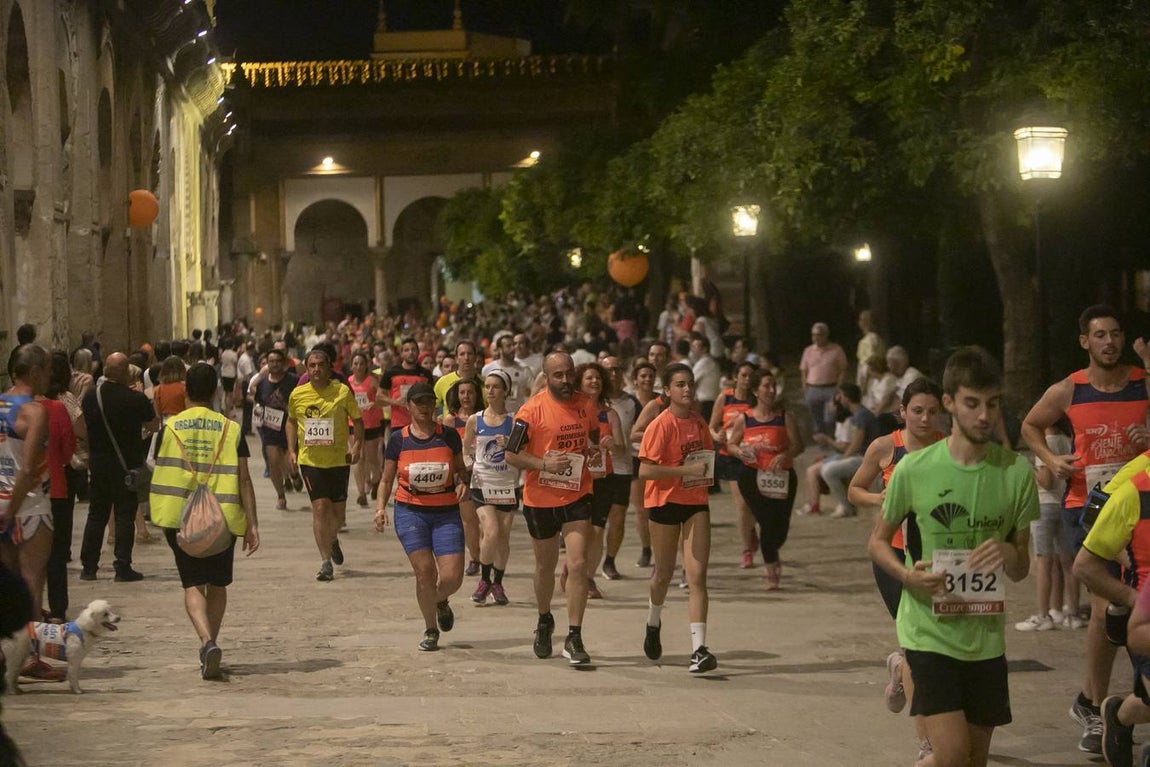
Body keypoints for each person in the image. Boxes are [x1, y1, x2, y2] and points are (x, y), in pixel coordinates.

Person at [868, 346, 1038, 767]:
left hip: (985, 637)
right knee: (952, 754)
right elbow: (877, 543)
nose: (984, 415)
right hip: (928, 632)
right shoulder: (915, 469)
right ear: (950, 403)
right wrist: (907, 577)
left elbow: (1020, 568)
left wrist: (1006, 552)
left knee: (975, 759)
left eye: (992, 404)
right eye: (972, 403)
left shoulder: (1016, 473)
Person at [1021, 305, 1150, 755]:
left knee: (1123, 612)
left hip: (1139, 504)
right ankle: (1098, 708)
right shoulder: (1068, 390)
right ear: (1085, 342)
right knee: (1103, 608)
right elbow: (1030, 424)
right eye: (1100, 335)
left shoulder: (1142, 381)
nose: (1109, 342)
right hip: (1088, 508)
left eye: (1115, 334)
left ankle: (1103, 701)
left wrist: (1146, 439)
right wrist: (1051, 459)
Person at [848, 376, 944, 761]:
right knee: (917, 649)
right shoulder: (886, 447)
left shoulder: (948, 448)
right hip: (893, 556)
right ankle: (926, 742)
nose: (924, 418)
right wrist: (879, 497)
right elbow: (855, 488)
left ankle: (898, 666)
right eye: (917, 411)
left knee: (934, 647)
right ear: (902, 412)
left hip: (935, 559)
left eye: (932, 412)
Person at [148, 363, 259, 679]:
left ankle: (206, 641)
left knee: (191, 581)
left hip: (178, 518)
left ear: (185, 390)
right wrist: (252, 524)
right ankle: (213, 642)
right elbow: (245, 479)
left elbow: (156, 468)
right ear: (214, 391)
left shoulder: (169, 428)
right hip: (222, 518)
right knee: (218, 583)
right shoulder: (230, 428)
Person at [505, 352, 604, 666]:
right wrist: (541, 462)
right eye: (558, 375)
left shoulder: (586, 404)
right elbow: (511, 454)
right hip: (541, 499)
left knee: (577, 564)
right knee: (545, 567)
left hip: (578, 493)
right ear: (546, 378)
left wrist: (594, 451)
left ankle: (574, 636)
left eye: (569, 373)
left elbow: (592, 437)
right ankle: (544, 618)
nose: (566, 380)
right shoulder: (530, 410)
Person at [373, 382, 467, 651]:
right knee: (425, 572)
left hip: (446, 512)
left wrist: (462, 482)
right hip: (411, 512)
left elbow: (461, 470)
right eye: (419, 402)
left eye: (429, 402)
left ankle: (439, 600)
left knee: (452, 578)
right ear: (408, 406)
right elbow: (386, 479)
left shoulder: (448, 436)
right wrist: (380, 508)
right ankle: (430, 628)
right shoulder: (398, 440)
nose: (425, 407)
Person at [638, 363, 718, 673]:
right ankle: (653, 620)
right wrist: (683, 471)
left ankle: (699, 649)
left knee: (697, 576)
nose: (687, 389)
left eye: (690, 384)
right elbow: (645, 470)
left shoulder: (699, 422)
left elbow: (705, 461)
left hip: (696, 502)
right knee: (663, 573)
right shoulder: (661, 424)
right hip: (664, 503)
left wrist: (704, 472)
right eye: (680, 384)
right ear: (667, 391)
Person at [1071, 457, 1150, 767]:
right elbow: (1091, 528)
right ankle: (1105, 708)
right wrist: (1131, 588)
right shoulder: (1132, 482)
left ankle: (1119, 715)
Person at [80, 352, 159, 582]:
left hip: (99, 463)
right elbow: (153, 426)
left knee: (97, 514)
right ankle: (122, 566)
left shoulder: (91, 396)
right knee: (125, 515)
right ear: (125, 373)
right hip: (127, 466)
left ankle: (89, 566)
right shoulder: (134, 399)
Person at [286, 348, 363, 582]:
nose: (316, 369)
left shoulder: (342, 391)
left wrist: (357, 445)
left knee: (338, 517)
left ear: (330, 368)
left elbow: (358, 422)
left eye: (321, 365)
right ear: (307, 369)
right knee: (320, 507)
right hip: (311, 462)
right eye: (312, 365)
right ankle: (325, 562)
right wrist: (292, 450)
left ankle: (332, 539)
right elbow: (290, 422)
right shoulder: (298, 394)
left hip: (339, 461)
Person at [728, 369, 803, 589]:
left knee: (780, 528)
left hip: (782, 476)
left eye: (773, 386)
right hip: (752, 476)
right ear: (755, 390)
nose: (771, 390)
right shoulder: (745, 419)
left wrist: (785, 455)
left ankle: (771, 548)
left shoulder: (784, 417)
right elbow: (731, 444)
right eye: (766, 386)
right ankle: (771, 570)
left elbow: (798, 445)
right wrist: (739, 452)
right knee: (767, 522)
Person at [0, 346, 53, 630]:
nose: (49, 376)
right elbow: (30, 468)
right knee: (32, 581)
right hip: (29, 505)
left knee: (7, 585)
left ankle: (9, 652)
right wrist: (13, 509)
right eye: (47, 370)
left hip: (0, 500)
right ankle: (31, 654)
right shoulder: (34, 412)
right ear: (34, 372)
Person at [1016, 418, 1081, 632]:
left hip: (1045, 504)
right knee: (1067, 562)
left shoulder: (1044, 441)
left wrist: (1029, 468)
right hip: (1065, 503)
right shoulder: (1067, 439)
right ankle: (1070, 612)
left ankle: (1043, 614)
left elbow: (1046, 480)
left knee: (1043, 562)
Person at [464, 370, 520, 606]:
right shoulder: (474, 420)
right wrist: (472, 465)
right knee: (492, 531)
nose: (489, 391)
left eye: (495, 386)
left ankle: (497, 582)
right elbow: (466, 450)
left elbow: (521, 452)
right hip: (482, 484)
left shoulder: (515, 420)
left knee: (503, 538)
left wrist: (510, 445)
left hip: (507, 485)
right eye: (486, 386)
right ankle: (484, 580)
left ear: (505, 390)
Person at [572, 361, 625, 600]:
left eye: (597, 378)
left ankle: (588, 577)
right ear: (579, 384)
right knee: (580, 530)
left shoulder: (609, 414)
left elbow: (622, 448)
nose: (594, 382)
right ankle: (573, 570)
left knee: (597, 530)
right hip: (578, 478)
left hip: (604, 477)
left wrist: (614, 445)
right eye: (589, 378)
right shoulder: (572, 412)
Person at [43, 352, 84, 625]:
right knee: (58, 551)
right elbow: (72, 443)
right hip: (56, 484)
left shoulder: (11, 404)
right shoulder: (61, 404)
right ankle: (57, 609)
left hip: (15, 490)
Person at [709, 361, 757, 569]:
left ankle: (750, 531)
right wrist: (717, 435)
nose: (747, 379)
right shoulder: (725, 397)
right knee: (742, 504)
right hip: (729, 454)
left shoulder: (756, 400)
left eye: (750, 376)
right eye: (743, 375)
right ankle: (747, 550)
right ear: (736, 377)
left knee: (753, 503)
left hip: (752, 456)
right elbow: (711, 426)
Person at [599, 356, 640, 581]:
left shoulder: (631, 403)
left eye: (617, 369)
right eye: (608, 370)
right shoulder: (590, 401)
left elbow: (644, 428)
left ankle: (610, 561)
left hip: (622, 468)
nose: (613, 374)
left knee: (618, 518)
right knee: (595, 523)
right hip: (594, 471)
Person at [817, 384, 882, 518]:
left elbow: (856, 445)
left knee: (828, 471)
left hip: (866, 458)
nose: (839, 399)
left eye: (841, 396)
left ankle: (846, 506)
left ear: (847, 398)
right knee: (826, 466)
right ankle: (845, 504)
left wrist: (843, 458)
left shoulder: (861, 415)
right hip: (863, 456)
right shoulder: (859, 413)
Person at [444, 378, 482, 575]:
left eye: (471, 392)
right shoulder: (450, 421)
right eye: (462, 392)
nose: (466, 396)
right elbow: (446, 451)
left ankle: (487, 558)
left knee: (486, 521)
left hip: (486, 475)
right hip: (462, 476)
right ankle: (475, 558)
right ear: (457, 396)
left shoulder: (486, 418)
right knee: (469, 521)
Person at [254, 349, 298, 510]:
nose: (274, 364)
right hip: (270, 430)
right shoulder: (263, 383)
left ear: (284, 363)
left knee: (290, 462)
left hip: (291, 429)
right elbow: (258, 403)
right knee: (273, 462)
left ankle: (294, 474)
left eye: (278, 361)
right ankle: (280, 495)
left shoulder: (293, 381)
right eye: (271, 361)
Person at [379, 337, 435, 437]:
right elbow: (379, 397)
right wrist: (396, 402)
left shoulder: (425, 374)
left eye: (413, 349)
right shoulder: (391, 372)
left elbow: (432, 399)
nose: (411, 352)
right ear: (401, 353)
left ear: (418, 352)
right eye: (407, 350)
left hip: (421, 423)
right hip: (398, 423)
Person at [347, 352, 383, 508]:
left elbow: (383, 398)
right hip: (353, 425)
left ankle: (376, 480)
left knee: (372, 458)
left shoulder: (372, 381)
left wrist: (374, 403)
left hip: (371, 424)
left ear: (366, 365)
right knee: (358, 457)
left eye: (361, 363)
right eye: (355, 364)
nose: (358, 367)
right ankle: (361, 493)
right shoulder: (347, 382)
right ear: (351, 366)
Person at [800, 322, 848, 438]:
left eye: (819, 334)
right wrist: (805, 387)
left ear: (826, 335)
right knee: (816, 418)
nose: (816, 337)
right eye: (814, 335)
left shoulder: (836, 349)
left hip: (830, 388)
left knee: (830, 418)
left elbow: (843, 369)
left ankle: (832, 439)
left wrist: (838, 388)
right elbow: (803, 370)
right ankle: (821, 441)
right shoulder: (808, 351)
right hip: (813, 388)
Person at [483, 331, 533, 414]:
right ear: (500, 349)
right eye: (508, 346)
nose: (513, 348)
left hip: (518, 416)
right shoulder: (488, 369)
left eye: (513, 345)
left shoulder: (524, 369)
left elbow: (532, 393)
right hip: (494, 417)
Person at [855, 310, 886, 387]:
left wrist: (865, 382)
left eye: (861, 319)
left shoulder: (871, 339)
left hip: (869, 377)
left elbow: (872, 361)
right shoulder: (871, 338)